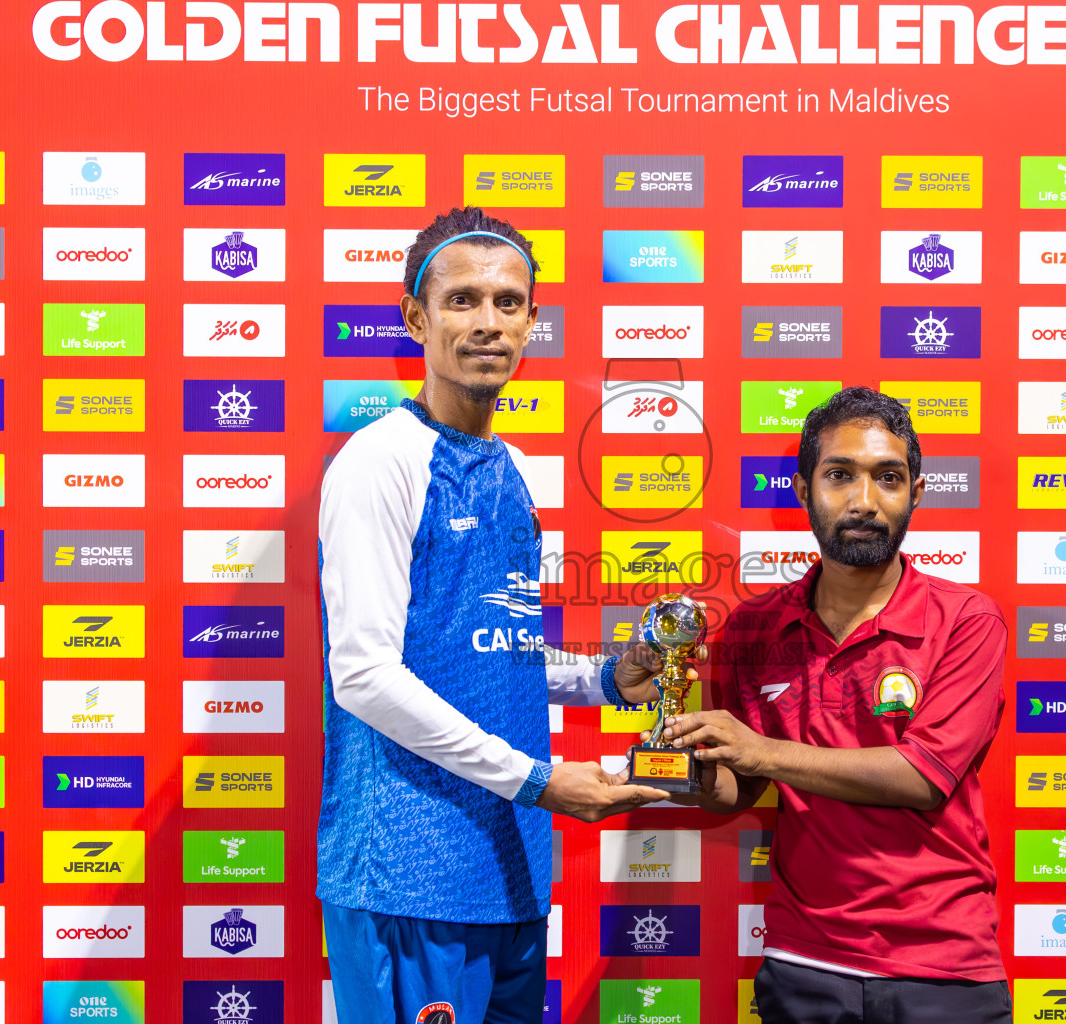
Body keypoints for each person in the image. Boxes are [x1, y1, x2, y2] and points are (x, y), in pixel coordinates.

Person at [317, 207, 680, 1024]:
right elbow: (366, 678)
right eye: (463, 300)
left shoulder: (512, 465)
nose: (488, 323)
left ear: (532, 323)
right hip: (407, 872)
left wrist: (604, 678)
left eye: (508, 303)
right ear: (416, 317)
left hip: (508, 865)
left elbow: (489, 645)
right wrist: (539, 780)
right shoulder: (380, 462)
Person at [663, 386, 1012, 1023]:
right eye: (839, 475)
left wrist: (761, 749)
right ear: (803, 490)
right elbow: (740, 789)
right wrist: (678, 770)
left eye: (888, 478)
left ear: (917, 491)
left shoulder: (968, 620)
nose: (864, 501)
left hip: (942, 965)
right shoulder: (752, 627)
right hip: (805, 963)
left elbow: (924, 777)